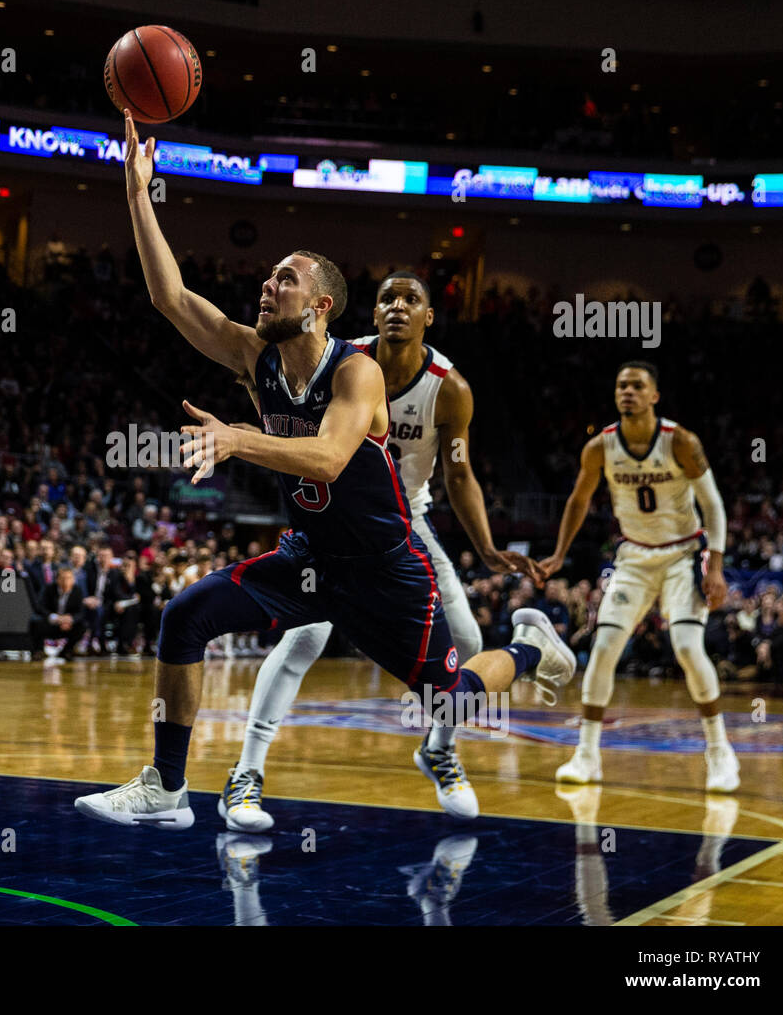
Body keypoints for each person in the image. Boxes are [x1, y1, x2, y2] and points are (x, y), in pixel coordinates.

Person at [74, 112, 574, 829]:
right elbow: (172, 299)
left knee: (450, 696)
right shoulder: (257, 359)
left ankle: (529, 648)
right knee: (184, 616)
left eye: (284, 278)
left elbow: (330, 458)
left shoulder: (357, 372)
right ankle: (168, 787)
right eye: (269, 276)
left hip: (386, 570)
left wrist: (240, 440)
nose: (265, 286)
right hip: (310, 558)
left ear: (320, 306)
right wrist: (136, 193)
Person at [219, 272, 541, 829]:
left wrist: (486, 547)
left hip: (404, 525)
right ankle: (246, 773)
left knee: (465, 640)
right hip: (332, 526)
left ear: (429, 317)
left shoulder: (451, 388)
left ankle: (438, 748)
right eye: (386, 299)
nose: (397, 307)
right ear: (369, 315)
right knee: (303, 639)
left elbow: (459, 475)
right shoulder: (342, 361)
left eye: (410, 299)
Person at [538, 361, 738, 792]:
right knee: (605, 646)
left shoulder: (680, 441)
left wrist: (716, 566)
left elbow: (714, 505)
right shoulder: (600, 448)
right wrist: (558, 554)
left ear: (654, 396)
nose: (627, 391)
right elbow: (577, 502)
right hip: (633, 557)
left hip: (683, 555)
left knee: (686, 647)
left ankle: (720, 753)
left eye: (637, 385)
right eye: (621, 386)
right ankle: (587, 755)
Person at [31, 567, 88, 664]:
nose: (66, 581)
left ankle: (67, 651)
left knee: (82, 626)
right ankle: (38, 651)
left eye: (69, 578)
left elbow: (81, 612)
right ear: (57, 579)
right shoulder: (49, 589)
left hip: (67, 625)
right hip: (51, 623)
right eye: (63, 578)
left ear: (73, 580)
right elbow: (40, 607)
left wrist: (70, 619)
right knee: (34, 622)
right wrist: (54, 617)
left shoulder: (77, 591)